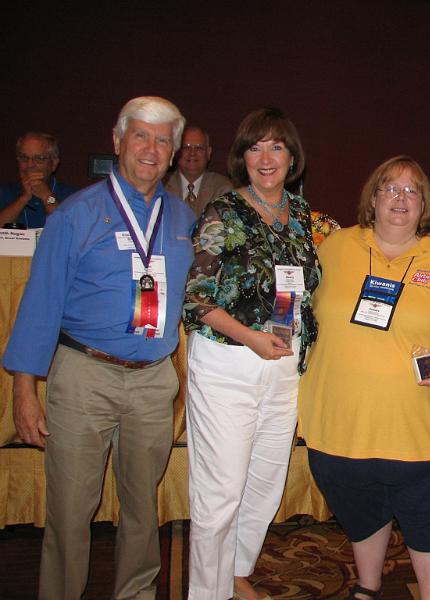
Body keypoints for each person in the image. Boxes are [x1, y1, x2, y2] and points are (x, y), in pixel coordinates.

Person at [4, 97, 195, 599]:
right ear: (117, 141)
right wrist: (24, 391)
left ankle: (135, 594)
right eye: (140, 135)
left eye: (162, 140)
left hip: (153, 380)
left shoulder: (183, 218)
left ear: (173, 152)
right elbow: (39, 303)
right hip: (84, 376)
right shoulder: (75, 214)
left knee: (142, 507)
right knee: (70, 510)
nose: (150, 149)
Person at [298, 156, 430, 600]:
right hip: (341, 425)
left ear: (425, 203)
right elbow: (298, 306)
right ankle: (368, 586)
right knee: (360, 510)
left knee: (428, 517)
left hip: (423, 427)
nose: (401, 198)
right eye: (390, 188)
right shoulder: (335, 247)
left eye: (411, 190)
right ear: (373, 198)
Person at [183, 107, 320, 600]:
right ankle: (208, 591)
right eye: (255, 148)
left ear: (292, 157)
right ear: (241, 157)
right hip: (228, 364)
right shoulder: (222, 212)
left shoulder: (301, 215)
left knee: (265, 481)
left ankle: (236, 573)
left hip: (283, 365)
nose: (266, 158)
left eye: (276, 147)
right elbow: (196, 301)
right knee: (220, 491)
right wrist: (250, 337)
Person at [0, 132, 78, 228]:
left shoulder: (73, 196)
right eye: (24, 158)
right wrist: (23, 199)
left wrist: (47, 197)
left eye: (39, 158)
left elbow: (69, 229)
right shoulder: (4, 193)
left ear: (54, 164)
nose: (30, 165)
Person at [164, 125, 232, 216]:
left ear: (209, 153)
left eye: (199, 148)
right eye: (186, 147)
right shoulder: (161, 185)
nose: (192, 153)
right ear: (176, 152)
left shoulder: (224, 187)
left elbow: (232, 223)